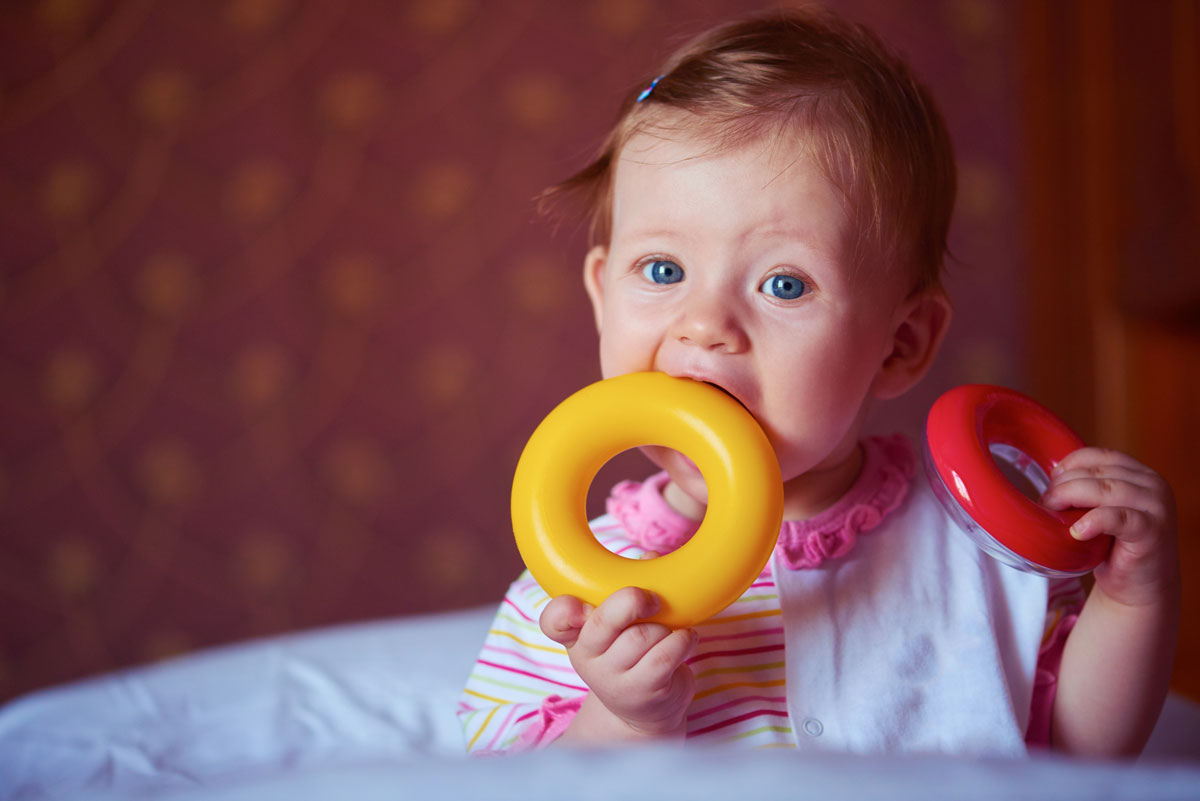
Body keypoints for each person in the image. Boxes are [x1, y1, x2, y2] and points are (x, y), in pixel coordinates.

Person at [458, 7, 1179, 757]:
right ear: (605, 295)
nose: (705, 324)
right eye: (665, 270)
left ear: (900, 344)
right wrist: (624, 719)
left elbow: (1077, 751)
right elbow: (512, 779)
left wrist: (1132, 600)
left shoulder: (979, 548)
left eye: (784, 284)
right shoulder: (575, 588)